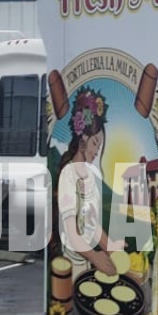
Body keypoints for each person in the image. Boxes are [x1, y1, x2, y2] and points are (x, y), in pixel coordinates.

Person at [54, 86, 117, 276]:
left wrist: (114, 251)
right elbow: (72, 234)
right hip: (70, 268)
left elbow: (92, 227)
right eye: (95, 143)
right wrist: (96, 257)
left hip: (87, 266)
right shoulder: (68, 175)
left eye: (100, 145)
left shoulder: (90, 178)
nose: (97, 150)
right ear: (83, 140)